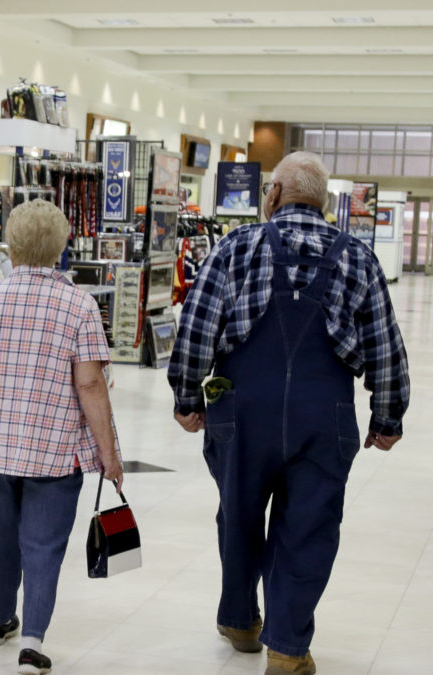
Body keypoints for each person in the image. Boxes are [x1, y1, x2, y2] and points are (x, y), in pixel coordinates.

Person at [168, 151, 409, 675]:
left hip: (241, 410)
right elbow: (386, 347)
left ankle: (239, 619)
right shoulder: (359, 258)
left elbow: (196, 329)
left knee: (238, 515)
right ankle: (287, 650)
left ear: (274, 194)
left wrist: (186, 397)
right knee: (308, 527)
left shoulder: (234, 248)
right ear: (323, 204)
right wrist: (387, 416)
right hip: (324, 415)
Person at [0, 200, 123, 675]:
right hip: (54, 448)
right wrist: (109, 453)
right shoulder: (79, 303)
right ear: (61, 248)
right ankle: (34, 641)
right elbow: (89, 384)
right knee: (43, 545)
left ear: (10, 245)